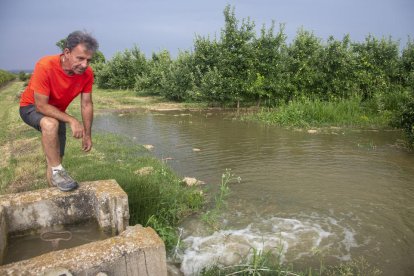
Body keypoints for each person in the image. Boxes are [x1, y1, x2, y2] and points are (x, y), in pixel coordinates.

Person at [19, 30, 98, 191]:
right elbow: (41, 106)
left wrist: (88, 135)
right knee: (50, 123)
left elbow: (87, 104)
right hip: (30, 107)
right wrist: (72, 120)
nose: (85, 65)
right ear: (67, 52)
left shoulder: (87, 74)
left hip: (56, 111)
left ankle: (53, 192)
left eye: (88, 60)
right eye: (80, 58)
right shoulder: (45, 66)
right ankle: (57, 172)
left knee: (55, 158)